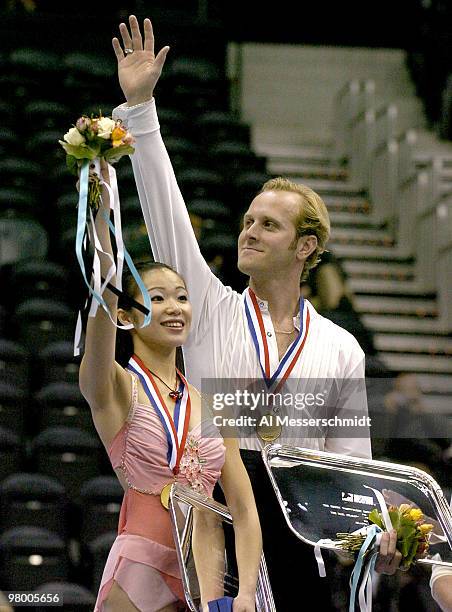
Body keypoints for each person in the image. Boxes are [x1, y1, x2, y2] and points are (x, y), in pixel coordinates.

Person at [111, 16, 400, 610]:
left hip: (300, 540)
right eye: (248, 220)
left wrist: (377, 530)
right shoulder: (212, 310)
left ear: (305, 248)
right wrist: (141, 109)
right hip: (216, 522)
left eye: (269, 224)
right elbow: (166, 211)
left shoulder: (341, 347)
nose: (250, 231)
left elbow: (350, 464)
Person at [79, 161, 262, 612]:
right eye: (157, 298)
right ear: (127, 316)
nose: (174, 306)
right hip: (141, 568)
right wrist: (104, 225)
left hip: (206, 578)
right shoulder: (116, 388)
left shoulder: (212, 403)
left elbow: (244, 508)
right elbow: (104, 298)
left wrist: (245, 594)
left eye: (181, 295)